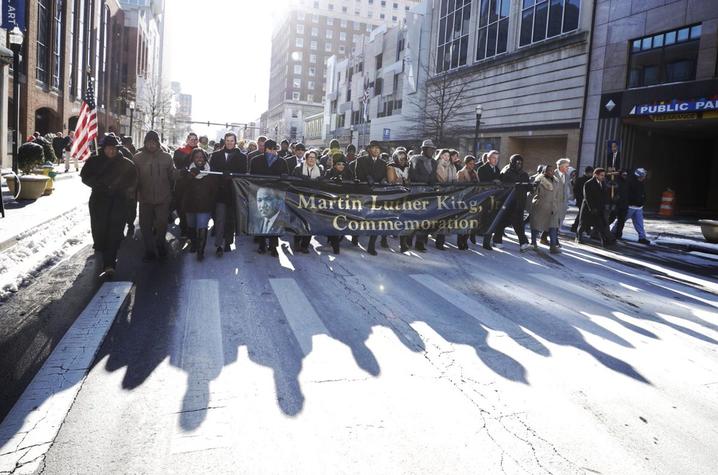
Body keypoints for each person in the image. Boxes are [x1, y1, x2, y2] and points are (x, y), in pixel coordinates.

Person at [80, 134, 137, 277]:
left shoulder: (127, 163)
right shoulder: (94, 161)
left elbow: (133, 181)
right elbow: (85, 177)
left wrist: (123, 188)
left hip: (119, 201)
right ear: (103, 148)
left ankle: (110, 263)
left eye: (113, 149)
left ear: (117, 149)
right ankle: (100, 247)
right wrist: (99, 184)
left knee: (115, 231)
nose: (111, 151)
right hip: (99, 200)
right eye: (108, 148)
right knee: (99, 229)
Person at [133, 131, 176, 262]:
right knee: (145, 225)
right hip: (145, 198)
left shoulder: (167, 157)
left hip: (163, 198)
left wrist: (182, 174)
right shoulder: (138, 158)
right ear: (145, 143)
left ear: (158, 143)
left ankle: (160, 244)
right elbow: (134, 178)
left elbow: (172, 176)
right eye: (148, 142)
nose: (151, 145)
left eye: (153, 142)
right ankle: (149, 250)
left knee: (162, 224)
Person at [209, 132, 247, 256]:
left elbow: (243, 173)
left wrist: (232, 175)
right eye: (227, 140)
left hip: (234, 192)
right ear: (224, 141)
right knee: (220, 219)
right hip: (220, 192)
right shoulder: (216, 155)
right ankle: (219, 244)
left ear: (235, 142)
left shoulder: (242, 156)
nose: (229, 143)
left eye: (232, 140)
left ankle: (228, 243)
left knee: (231, 219)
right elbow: (212, 172)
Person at [249, 139, 289, 256]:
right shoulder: (256, 160)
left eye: (274, 149)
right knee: (261, 219)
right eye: (269, 149)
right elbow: (251, 177)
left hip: (276, 195)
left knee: (275, 221)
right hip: (260, 194)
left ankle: (273, 246)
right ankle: (262, 245)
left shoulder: (282, 162)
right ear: (265, 149)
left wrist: (284, 176)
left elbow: (286, 177)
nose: (272, 151)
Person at [180, 149, 218, 260]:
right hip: (190, 204)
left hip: (204, 205)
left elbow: (214, 189)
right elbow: (181, 187)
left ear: (205, 158)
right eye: (197, 157)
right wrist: (189, 176)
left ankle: (200, 251)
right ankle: (194, 243)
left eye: (202, 157)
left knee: (202, 226)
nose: (199, 159)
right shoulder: (187, 171)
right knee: (191, 225)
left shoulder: (211, 173)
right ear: (193, 159)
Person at [353, 140, 388, 255]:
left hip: (377, 197)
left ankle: (371, 246)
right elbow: (357, 175)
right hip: (363, 195)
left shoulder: (383, 163)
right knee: (360, 218)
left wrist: (383, 180)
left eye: (378, 148)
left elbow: (383, 176)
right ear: (369, 149)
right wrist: (366, 177)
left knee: (376, 220)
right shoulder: (361, 160)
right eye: (374, 148)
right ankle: (355, 236)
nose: (376, 150)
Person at [491, 154, 530, 251]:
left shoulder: (524, 174)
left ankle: (522, 242)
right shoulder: (506, 172)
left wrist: (531, 186)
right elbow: (502, 186)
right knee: (505, 221)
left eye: (521, 163)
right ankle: (498, 240)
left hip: (520, 202)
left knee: (517, 223)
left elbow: (528, 187)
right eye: (517, 162)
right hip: (508, 201)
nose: (519, 165)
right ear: (512, 162)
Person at [408, 139, 439, 251]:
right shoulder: (415, 159)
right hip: (416, 193)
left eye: (433, 149)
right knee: (413, 218)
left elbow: (433, 176)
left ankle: (420, 243)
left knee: (425, 219)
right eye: (430, 149)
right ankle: (408, 240)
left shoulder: (434, 162)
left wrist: (433, 182)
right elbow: (413, 176)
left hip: (428, 194)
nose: (432, 151)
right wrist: (427, 180)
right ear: (423, 149)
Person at [292, 149, 323, 253]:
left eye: (314, 158)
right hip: (299, 199)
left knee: (310, 223)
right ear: (306, 158)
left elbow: (322, 183)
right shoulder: (298, 168)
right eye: (310, 157)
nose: (312, 159)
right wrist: (306, 179)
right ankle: (297, 243)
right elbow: (294, 181)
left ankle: (305, 245)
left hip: (313, 201)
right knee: (299, 222)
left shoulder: (320, 170)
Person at [576, 168, 615, 247]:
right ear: (596, 175)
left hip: (599, 208)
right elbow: (587, 197)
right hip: (588, 208)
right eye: (601, 175)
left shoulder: (603, 183)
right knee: (583, 224)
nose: (603, 177)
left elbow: (604, 196)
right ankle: (578, 237)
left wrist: (606, 205)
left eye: (604, 175)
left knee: (601, 225)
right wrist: (592, 208)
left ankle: (604, 240)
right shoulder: (588, 183)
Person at [612, 168, 650, 244]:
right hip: (630, 206)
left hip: (638, 207)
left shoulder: (641, 183)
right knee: (621, 220)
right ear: (639, 175)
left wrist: (642, 201)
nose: (644, 177)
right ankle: (613, 232)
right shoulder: (630, 183)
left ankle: (642, 237)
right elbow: (626, 194)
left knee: (639, 223)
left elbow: (643, 194)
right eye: (643, 176)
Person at [529, 164, 562, 254]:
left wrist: (557, 206)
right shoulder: (539, 180)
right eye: (548, 171)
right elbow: (533, 193)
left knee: (553, 227)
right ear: (544, 172)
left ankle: (553, 246)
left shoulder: (556, 181)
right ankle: (533, 242)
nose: (551, 172)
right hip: (541, 206)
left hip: (553, 208)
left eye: (552, 171)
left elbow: (557, 195)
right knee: (536, 226)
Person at [434, 148, 458, 251]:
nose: (446, 158)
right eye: (444, 155)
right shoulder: (438, 165)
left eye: (448, 156)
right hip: (439, 194)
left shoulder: (452, 166)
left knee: (445, 218)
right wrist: (443, 166)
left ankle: (440, 241)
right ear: (440, 156)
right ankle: (438, 241)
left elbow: (454, 180)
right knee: (439, 218)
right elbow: (443, 179)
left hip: (449, 194)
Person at [571, 166, 594, 232]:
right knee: (582, 215)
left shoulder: (582, 179)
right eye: (591, 173)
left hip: (584, 200)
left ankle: (584, 228)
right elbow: (576, 190)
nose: (592, 174)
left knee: (584, 215)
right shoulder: (582, 180)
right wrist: (578, 198)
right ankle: (576, 227)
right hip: (582, 200)